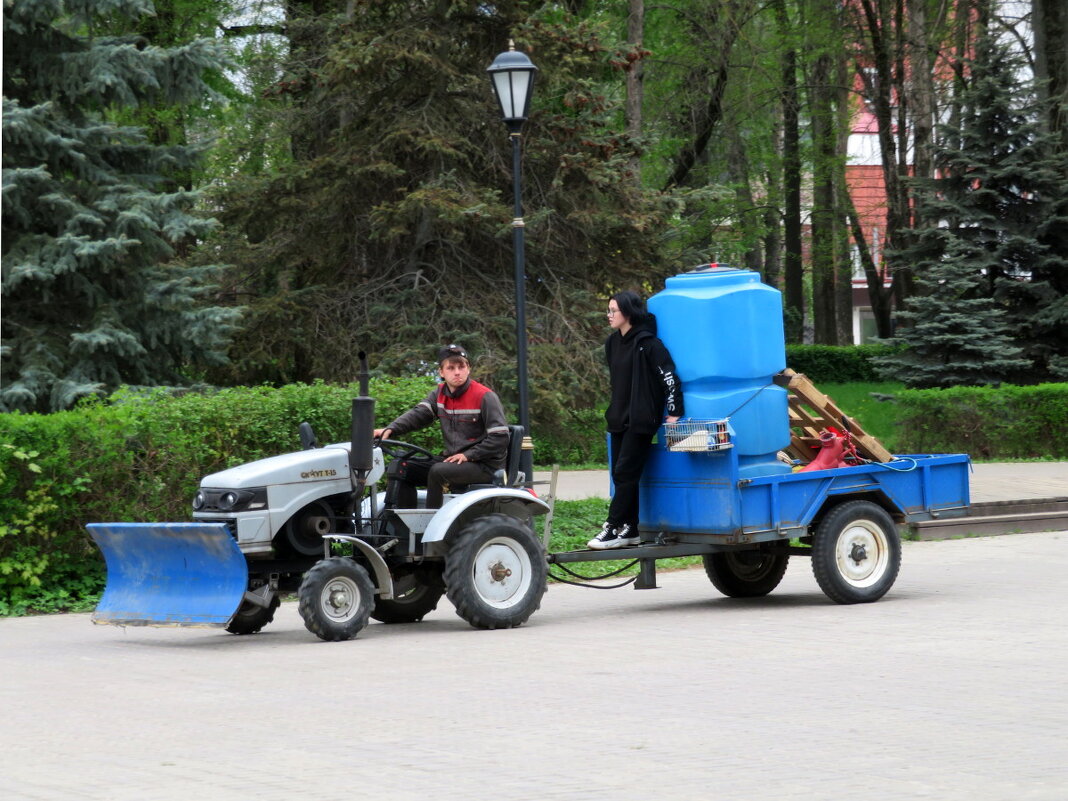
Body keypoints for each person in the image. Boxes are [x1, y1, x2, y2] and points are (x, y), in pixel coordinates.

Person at [587, 291, 684, 550]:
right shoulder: (612, 343)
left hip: (642, 419)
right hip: (619, 416)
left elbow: (670, 379)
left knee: (626, 472)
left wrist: (674, 411)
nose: (608, 315)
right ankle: (630, 528)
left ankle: (611, 527)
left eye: (613, 311)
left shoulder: (649, 344)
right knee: (621, 476)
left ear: (628, 313)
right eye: (607, 310)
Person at [374, 344, 510, 509]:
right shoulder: (439, 394)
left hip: (484, 465)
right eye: (451, 368)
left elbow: (500, 438)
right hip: (453, 460)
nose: (457, 372)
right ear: (441, 372)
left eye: (461, 366)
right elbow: (418, 414)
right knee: (402, 468)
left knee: (438, 471)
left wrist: (469, 455)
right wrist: (390, 429)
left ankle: (432, 525)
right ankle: (404, 527)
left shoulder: (485, 396)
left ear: (468, 369)